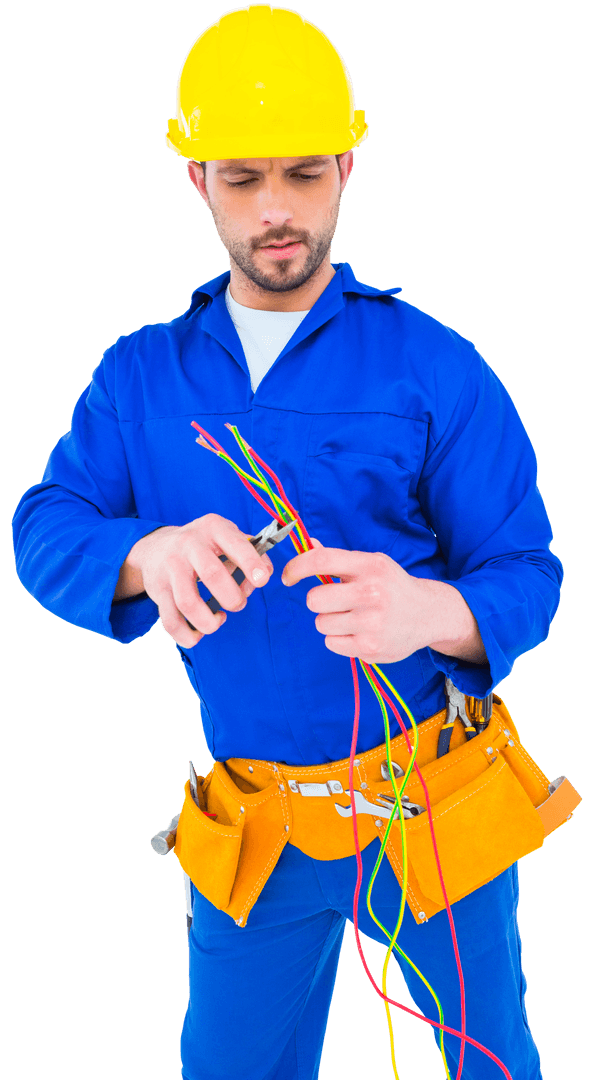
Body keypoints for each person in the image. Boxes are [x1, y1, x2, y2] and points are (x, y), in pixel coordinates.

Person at [12, 6, 563, 1079]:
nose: (276, 211)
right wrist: (144, 556)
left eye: (305, 175)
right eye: (242, 177)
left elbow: (527, 572)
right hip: (253, 827)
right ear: (196, 179)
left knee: (486, 1064)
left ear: (349, 163)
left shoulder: (433, 367)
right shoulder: (139, 378)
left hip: (429, 812)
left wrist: (430, 611)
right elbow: (45, 525)